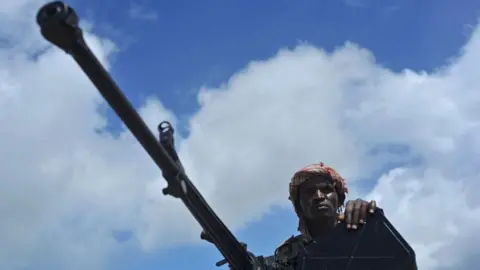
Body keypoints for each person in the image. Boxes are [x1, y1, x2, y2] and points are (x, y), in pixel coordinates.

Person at [272, 162, 378, 269]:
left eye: (326, 190)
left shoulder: (360, 232)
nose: (319, 196)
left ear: (340, 200)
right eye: (309, 192)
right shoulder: (289, 256)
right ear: (299, 207)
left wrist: (372, 218)